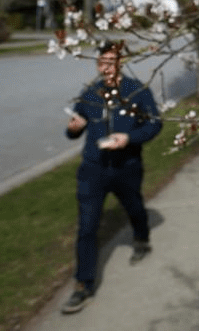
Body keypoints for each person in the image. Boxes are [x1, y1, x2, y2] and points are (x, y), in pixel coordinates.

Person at [61, 41, 162, 314]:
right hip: (93, 169)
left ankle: (141, 238)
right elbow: (73, 129)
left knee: (134, 207)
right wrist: (73, 128)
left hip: (126, 166)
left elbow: (155, 123)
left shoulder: (137, 91)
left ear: (120, 63)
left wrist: (129, 137)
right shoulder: (90, 93)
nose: (105, 67)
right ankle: (83, 285)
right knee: (87, 227)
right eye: (101, 62)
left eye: (111, 61)